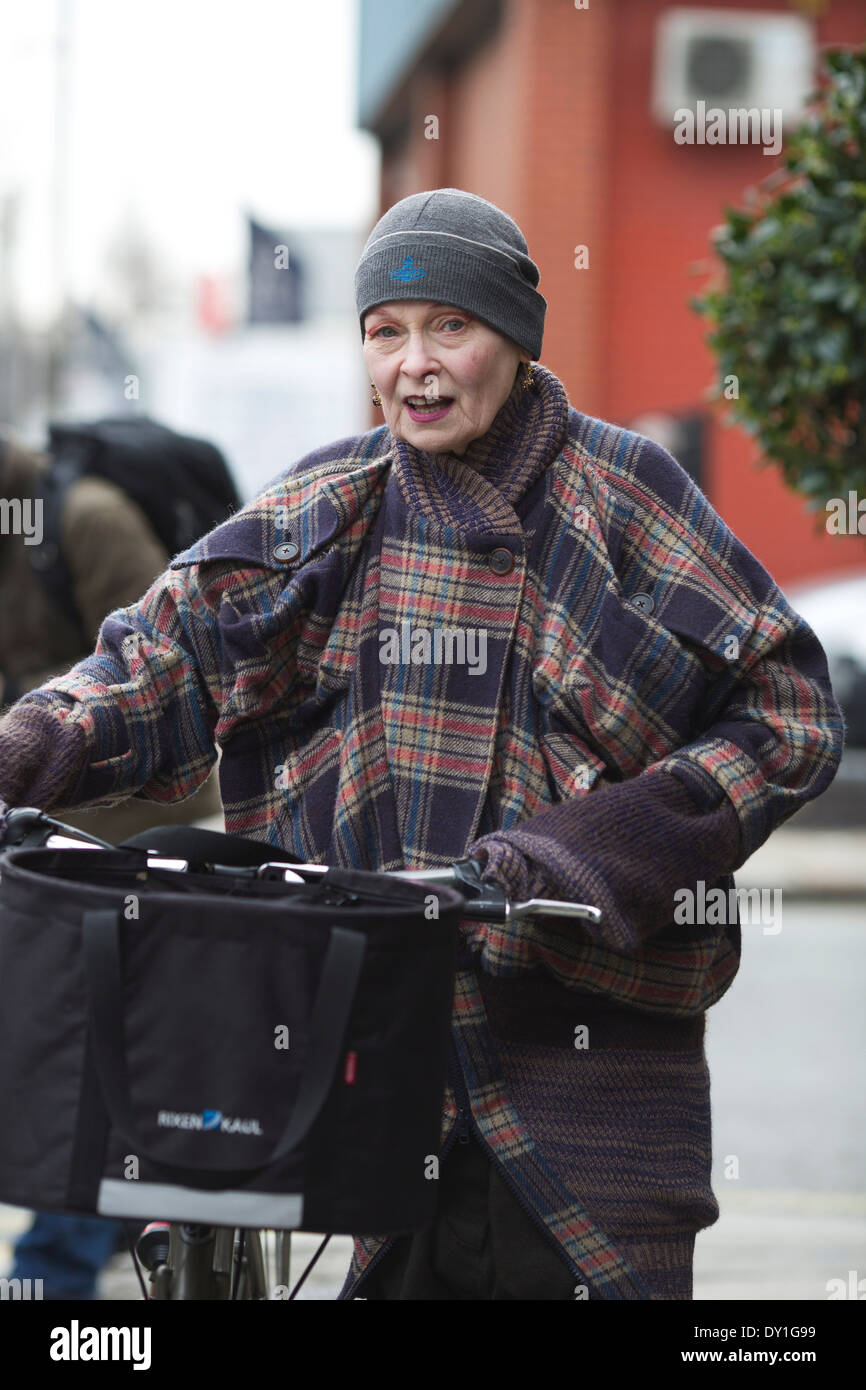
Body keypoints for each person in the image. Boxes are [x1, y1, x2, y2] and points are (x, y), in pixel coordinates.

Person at [0, 189, 845, 1300]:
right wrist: (25, 747)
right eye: (385, 332)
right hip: (370, 1055)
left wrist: (590, 848)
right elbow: (154, 665)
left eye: (451, 326)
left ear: (515, 336)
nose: (414, 364)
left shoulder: (626, 497)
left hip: (587, 1076)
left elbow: (787, 714)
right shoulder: (323, 507)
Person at [0, 430, 224, 1298]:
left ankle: (52, 1275)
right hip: (43, 823)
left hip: (153, 816)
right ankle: (133, 1210)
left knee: (89, 1045)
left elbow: (157, 674)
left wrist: (32, 717)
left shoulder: (84, 520)